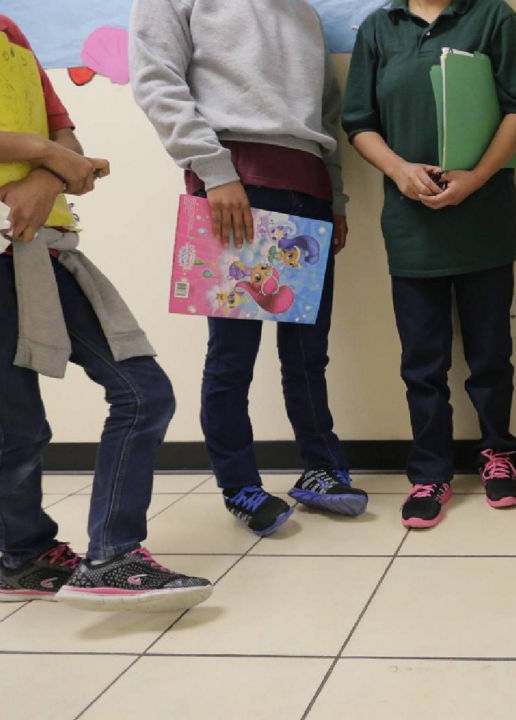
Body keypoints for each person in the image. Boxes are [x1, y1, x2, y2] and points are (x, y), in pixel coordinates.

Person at [0, 0, 211, 610]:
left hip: (43, 241)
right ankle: (25, 559)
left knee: (142, 389)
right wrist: (40, 152)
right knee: (15, 422)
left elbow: (61, 130)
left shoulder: (2, 29)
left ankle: (113, 556)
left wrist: (45, 173)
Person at [131, 0, 369, 537]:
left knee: (308, 353)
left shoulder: (304, 14)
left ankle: (321, 470)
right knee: (233, 354)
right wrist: (215, 172)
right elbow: (155, 79)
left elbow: (326, 115)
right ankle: (239, 484)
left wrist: (335, 200)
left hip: (308, 187)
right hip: (233, 181)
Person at [342, 0, 516, 529]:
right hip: (411, 224)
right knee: (422, 362)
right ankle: (430, 471)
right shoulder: (380, 29)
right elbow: (358, 120)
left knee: (491, 352)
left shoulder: (494, 17)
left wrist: (474, 178)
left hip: (484, 217)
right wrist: (399, 169)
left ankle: (498, 453)